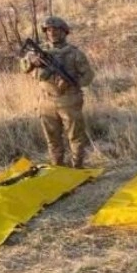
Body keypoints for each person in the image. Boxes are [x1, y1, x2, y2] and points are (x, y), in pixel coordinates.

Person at [21, 16, 95, 168]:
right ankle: (58, 169)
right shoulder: (39, 52)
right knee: (52, 139)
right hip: (46, 101)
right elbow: (23, 67)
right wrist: (32, 62)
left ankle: (77, 169)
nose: (52, 33)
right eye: (48, 30)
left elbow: (88, 76)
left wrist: (70, 83)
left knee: (76, 137)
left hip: (69, 100)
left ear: (64, 32)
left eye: (56, 30)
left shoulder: (74, 53)